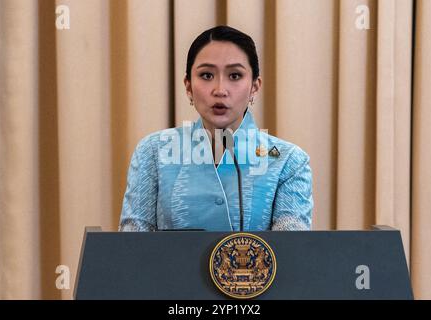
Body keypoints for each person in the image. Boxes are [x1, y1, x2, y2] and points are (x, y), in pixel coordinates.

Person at [119, 26, 313, 232]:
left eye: (235, 76)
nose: (220, 90)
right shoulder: (153, 151)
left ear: (254, 87)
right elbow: (133, 245)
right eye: (206, 75)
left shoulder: (288, 160)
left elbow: (292, 251)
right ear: (188, 87)